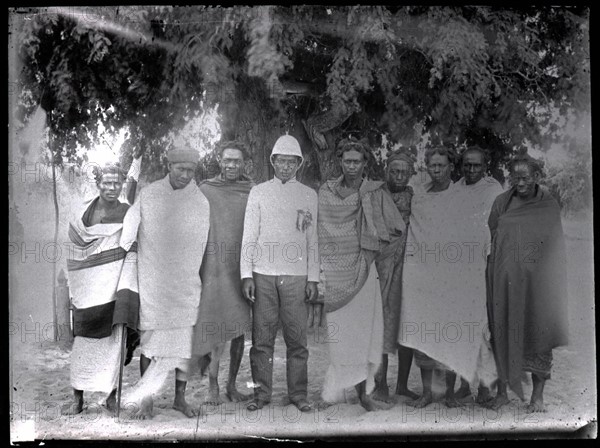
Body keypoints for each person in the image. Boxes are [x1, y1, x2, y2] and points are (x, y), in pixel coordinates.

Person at [119, 147, 210, 419]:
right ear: (168, 166)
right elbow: (128, 231)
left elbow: (201, 245)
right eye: (180, 169)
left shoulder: (200, 201)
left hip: (184, 285)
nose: (185, 175)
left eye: (191, 170)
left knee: (183, 346)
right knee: (151, 344)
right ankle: (147, 399)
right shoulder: (149, 195)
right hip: (153, 283)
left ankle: (179, 399)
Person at [318, 137, 404, 412]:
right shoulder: (326, 191)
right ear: (340, 162)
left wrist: (371, 250)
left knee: (362, 334)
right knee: (339, 336)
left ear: (365, 163)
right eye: (347, 161)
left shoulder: (375, 192)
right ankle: (333, 393)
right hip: (334, 275)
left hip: (365, 273)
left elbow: (394, 229)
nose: (352, 166)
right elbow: (320, 229)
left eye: (357, 161)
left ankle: (364, 395)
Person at [241, 134, 319, 413]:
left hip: (296, 276)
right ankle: (261, 395)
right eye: (281, 161)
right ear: (272, 161)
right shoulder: (258, 192)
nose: (286, 167)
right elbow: (249, 236)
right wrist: (246, 274)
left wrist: (313, 278)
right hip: (263, 274)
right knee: (262, 339)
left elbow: (312, 240)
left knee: (297, 339)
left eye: (291, 162)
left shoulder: (309, 195)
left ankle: (298, 394)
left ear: (299, 163)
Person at [485, 152, 568, 413]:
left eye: (525, 178)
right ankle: (501, 393)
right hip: (506, 279)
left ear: (537, 177)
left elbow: (554, 245)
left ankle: (537, 397)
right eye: (515, 178)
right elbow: (494, 235)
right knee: (502, 329)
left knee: (538, 333)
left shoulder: (548, 205)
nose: (519, 183)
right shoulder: (501, 202)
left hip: (537, 283)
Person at [399, 145, 472, 408]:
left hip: (451, 277)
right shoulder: (419, 196)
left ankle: (450, 393)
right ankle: (428, 393)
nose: (437, 170)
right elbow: (415, 230)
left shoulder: (461, 197)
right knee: (423, 334)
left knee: (450, 334)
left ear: (451, 167)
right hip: (422, 276)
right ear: (427, 167)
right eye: (433, 166)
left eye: (442, 165)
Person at [62, 163, 133, 415]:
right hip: (87, 290)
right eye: (107, 182)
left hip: (114, 286)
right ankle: (78, 399)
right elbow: (73, 244)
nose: (112, 187)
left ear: (122, 184)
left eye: (117, 183)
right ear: (98, 183)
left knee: (114, 344)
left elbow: (132, 242)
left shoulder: (128, 211)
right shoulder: (84, 212)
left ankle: (111, 397)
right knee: (82, 344)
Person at [192, 140, 254, 405]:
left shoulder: (252, 191)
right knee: (217, 325)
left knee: (239, 328)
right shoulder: (206, 189)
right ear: (219, 160)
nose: (231, 165)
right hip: (214, 268)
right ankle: (213, 386)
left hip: (242, 268)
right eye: (227, 160)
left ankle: (231, 385)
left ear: (244, 164)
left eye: (237, 161)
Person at [449, 146, 504, 404]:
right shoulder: (455, 189)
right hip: (457, 268)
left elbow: (496, 232)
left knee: (481, 329)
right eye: (467, 165)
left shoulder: (494, 190)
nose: (471, 170)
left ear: (485, 166)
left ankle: (484, 388)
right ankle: (463, 385)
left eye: (476, 166)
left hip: (483, 267)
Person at [372, 148, 419, 403]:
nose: (400, 176)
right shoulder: (375, 196)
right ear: (386, 171)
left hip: (408, 269)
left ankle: (402, 384)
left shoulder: (416, 199)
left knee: (406, 327)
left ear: (410, 174)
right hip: (381, 269)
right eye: (395, 171)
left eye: (404, 172)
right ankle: (381, 385)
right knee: (382, 325)